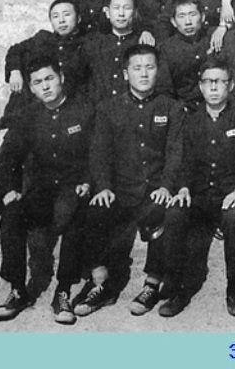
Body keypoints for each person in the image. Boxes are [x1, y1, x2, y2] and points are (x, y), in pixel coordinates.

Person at [72, 44, 185, 318]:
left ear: (157, 71)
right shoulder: (109, 108)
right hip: (121, 190)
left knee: (166, 213)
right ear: (125, 73)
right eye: (137, 68)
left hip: (155, 190)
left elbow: (176, 152)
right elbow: (99, 153)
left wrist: (166, 186)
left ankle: (151, 285)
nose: (143, 74)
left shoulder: (171, 107)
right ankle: (100, 284)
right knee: (93, 211)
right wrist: (104, 187)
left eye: (149, 67)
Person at [0, 57, 94, 325]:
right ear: (31, 88)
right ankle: (17, 290)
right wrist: (11, 190)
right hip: (42, 190)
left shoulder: (84, 110)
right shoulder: (29, 116)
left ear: (61, 78)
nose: (45, 86)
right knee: (12, 213)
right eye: (38, 82)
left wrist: (87, 182)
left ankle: (63, 292)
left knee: (76, 216)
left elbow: (98, 153)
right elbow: (12, 156)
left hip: (74, 188)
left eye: (49, 79)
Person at [161, 57, 235, 317]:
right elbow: (186, 162)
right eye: (208, 82)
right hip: (200, 194)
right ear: (201, 86)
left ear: (231, 85)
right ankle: (176, 290)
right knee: (175, 214)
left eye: (219, 82)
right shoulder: (192, 120)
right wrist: (183, 188)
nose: (213, 87)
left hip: (230, 193)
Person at [0, 0, 88, 149]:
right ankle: (0, 127)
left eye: (67, 14)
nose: (62, 20)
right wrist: (15, 72)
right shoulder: (43, 39)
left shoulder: (86, 45)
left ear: (78, 18)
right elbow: (15, 50)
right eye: (56, 16)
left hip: (65, 103)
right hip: (33, 101)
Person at [81, 0, 153, 104]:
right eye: (116, 8)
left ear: (135, 12)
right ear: (107, 12)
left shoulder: (142, 42)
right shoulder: (94, 43)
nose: (121, 14)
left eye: (127, 8)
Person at [156, 0, 213, 108]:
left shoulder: (212, 38)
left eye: (193, 15)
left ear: (202, 17)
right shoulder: (167, 49)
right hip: (183, 107)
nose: (188, 22)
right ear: (173, 22)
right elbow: (165, 89)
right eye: (181, 16)